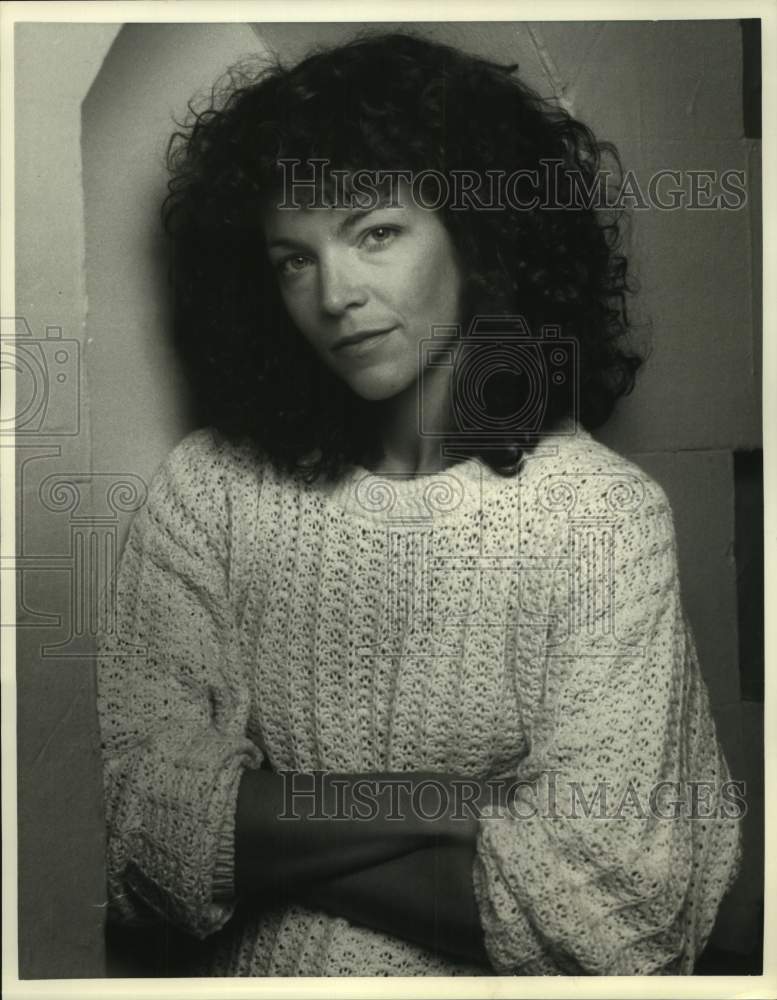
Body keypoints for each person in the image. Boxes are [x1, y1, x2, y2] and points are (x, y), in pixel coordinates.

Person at [96, 31, 741, 977]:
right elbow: (130, 819)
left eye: (375, 232)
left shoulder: (600, 520)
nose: (335, 296)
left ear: (476, 237)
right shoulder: (211, 492)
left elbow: (610, 915)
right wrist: (441, 804)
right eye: (292, 259)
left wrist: (269, 828)